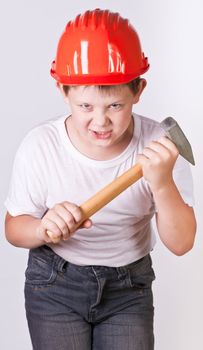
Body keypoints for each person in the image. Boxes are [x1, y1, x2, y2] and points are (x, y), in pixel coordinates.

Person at [4, 8, 196, 350]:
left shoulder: (160, 148)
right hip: (54, 285)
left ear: (138, 90)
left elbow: (182, 244)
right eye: (85, 106)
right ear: (63, 91)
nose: (101, 121)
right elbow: (13, 230)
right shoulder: (40, 146)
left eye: (116, 106)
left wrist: (162, 183)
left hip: (128, 289)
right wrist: (41, 227)